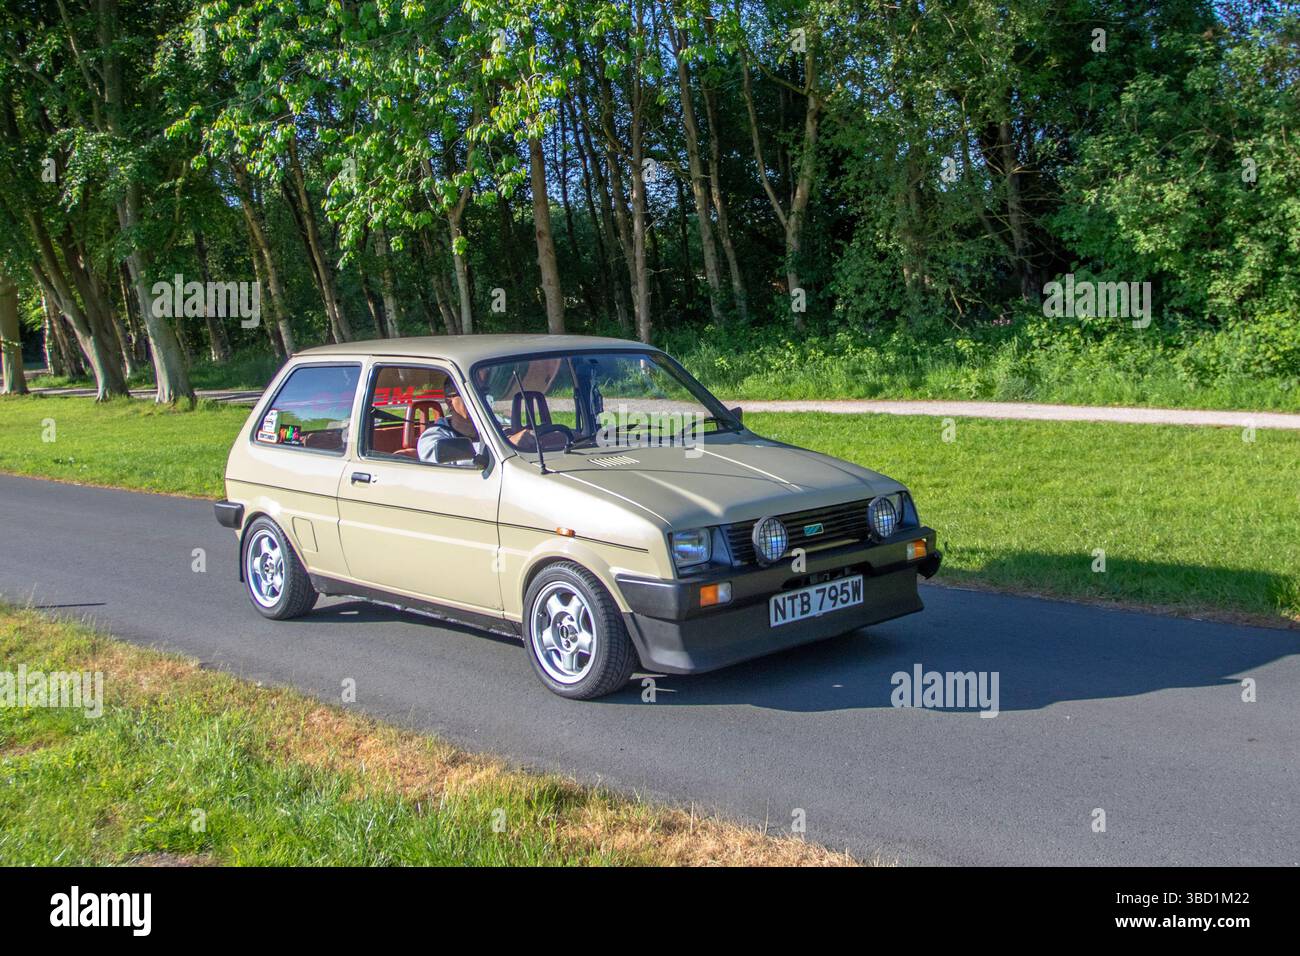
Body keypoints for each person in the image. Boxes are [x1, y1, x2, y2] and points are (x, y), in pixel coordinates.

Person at [416, 378, 483, 464]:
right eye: (470, 395)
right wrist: (487, 450)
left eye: (484, 393)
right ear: (450, 402)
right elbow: (441, 464)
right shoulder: (432, 438)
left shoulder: (495, 428)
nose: (480, 400)